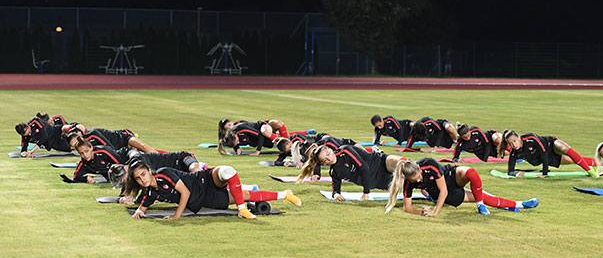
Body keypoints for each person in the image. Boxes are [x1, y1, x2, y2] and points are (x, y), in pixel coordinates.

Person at [125, 160, 301, 220]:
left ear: (149, 170)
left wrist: (176, 216)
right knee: (245, 195)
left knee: (227, 171)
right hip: (204, 200)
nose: (142, 179)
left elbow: (185, 193)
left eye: (143, 174)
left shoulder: (164, 174)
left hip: (204, 180)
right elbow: (143, 206)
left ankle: (242, 209)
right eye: (139, 179)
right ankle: (285, 195)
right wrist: (139, 212)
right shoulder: (150, 192)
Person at [384, 158, 538, 216]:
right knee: (483, 196)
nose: (419, 178)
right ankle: (520, 204)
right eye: (415, 179)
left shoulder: (429, 164)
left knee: (472, 173)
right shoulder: (409, 183)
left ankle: (480, 204)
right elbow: (407, 208)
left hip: (449, 177)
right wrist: (421, 212)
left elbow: (443, 187)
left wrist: (435, 212)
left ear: (418, 166)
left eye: (418, 174)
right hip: (447, 195)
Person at [297, 144, 404, 200]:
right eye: (325, 160)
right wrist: (336, 195)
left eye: (328, 154)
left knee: (405, 165)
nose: (329, 159)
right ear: (323, 163)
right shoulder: (334, 172)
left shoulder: (345, 151)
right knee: (407, 181)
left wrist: (366, 193)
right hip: (376, 181)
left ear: (330, 150)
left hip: (379, 163)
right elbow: (335, 189)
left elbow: (364, 168)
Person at [499, 130, 599, 178]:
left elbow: (543, 153)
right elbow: (510, 171)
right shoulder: (514, 152)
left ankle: (590, 171)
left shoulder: (531, 138)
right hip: (545, 158)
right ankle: (597, 163)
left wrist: (545, 173)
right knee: (572, 160)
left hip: (549, 145)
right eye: (510, 143)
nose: (513, 145)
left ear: (519, 137)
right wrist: (517, 174)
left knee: (563, 147)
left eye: (515, 141)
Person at [70, 137, 140, 183]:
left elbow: (120, 163)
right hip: (117, 174)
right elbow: (76, 176)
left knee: (138, 161)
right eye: (81, 153)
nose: (85, 155)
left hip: (127, 154)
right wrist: (86, 179)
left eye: (86, 151)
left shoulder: (103, 151)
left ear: (91, 148)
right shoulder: (84, 163)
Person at [15, 117, 85, 156]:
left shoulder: (35, 122)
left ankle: (78, 128)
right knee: (71, 148)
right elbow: (24, 144)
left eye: (30, 132)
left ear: (27, 126)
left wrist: (31, 151)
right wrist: (23, 152)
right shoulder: (25, 135)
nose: (30, 135)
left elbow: (44, 136)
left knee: (70, 132)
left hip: (56, 132)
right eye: (27, 135)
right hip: (52, 143)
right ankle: (84, 146)